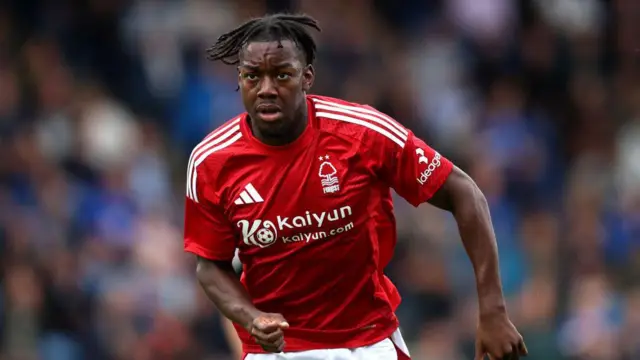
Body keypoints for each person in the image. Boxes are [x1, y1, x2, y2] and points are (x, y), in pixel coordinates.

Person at [184, 13, 528, 360]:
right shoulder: (211, 162)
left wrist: (493, 310)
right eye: (252, 76)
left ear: (307, 78)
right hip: (276, 350)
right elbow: (210, 266)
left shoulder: (362, 133)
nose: (267, 89)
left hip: (366, 343)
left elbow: (464, 193)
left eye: (282, 75)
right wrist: (251, 317)